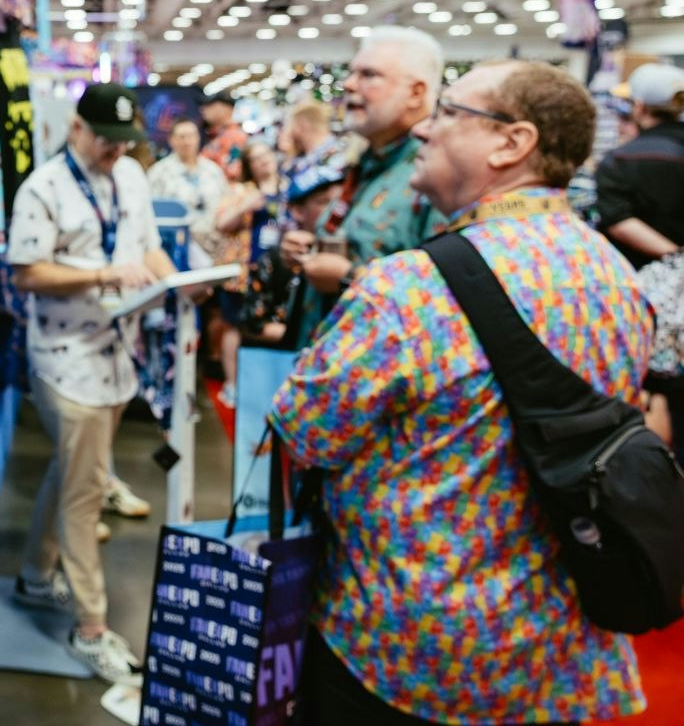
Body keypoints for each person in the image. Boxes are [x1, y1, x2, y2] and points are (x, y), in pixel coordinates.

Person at [272, 61, 650, 724]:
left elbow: (302, 435)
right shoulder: (615, 275)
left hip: (405, 648)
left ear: (512, 143)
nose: (426, 130)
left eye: (448, 112)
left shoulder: (409, 289)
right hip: (555, 645)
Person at [5, 82, 179, 684]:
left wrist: (179, 280)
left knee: (75, 468)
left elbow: (150, 247)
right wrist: (103, 275)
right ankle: (92, 628)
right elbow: (26, 273)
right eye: (105, 140)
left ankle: (33, 574)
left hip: (113, 354)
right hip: (65, 356)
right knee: (86, 490)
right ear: (76, 127)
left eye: (124, 142)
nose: (114, 151)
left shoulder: (129, 175)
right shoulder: (43, 188)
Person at [280, 26, 444, 316]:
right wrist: (310, 250)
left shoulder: (439, 174)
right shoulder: (364, 162)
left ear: (416, 93)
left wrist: (349, 278)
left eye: (369, 75)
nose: (349, 84)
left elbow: (444, 296)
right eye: (352, 72)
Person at [213, 140, 287, 405]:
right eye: (256, 158)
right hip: (244, 272)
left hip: (282, 273)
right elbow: (220, 223)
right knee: (234, 325)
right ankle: (231, 384)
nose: (263, 161)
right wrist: (246, 206)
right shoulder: (241, 192)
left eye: (266, 154)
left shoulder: (289, 189)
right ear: (248, 166)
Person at [239, 166, 340, 351]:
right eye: (323, 202)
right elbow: (252, 321)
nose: (333, 209)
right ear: (297, 210)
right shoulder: (275, 259)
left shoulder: (345, 254)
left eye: (338, 201)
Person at [593, 62, 684, 268]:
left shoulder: (620, 160)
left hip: (642, 277)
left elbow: (619, 221)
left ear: (640, 106)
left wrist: (677, 259)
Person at [147, 119, 229, 245]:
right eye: (181, 137)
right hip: (177, 244)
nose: (187, 142)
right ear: (171, 140)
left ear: (198, 138)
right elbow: (151, 213)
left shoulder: (213, 170)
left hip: (215, 242)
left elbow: (226, 203)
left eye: (191, 136)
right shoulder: (158, 173)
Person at [281, 98, 346, 180]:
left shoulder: (334, 154)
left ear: (302, 123)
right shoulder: (307, 159)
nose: (288, 131)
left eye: (291, 125)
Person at [199, 94, 249, 181]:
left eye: (210, 105)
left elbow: (232, 172)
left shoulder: (233, 136)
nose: (203, 109)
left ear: (226, 108)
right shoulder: (216, 135)